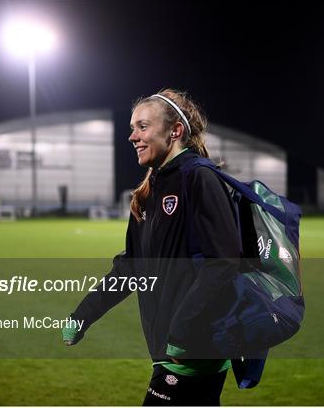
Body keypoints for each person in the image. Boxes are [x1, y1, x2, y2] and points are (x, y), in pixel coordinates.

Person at [62, 89, 241, 406]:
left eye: (142, 127)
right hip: (170, 348)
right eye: (132, 128)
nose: (133, 136)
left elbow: (224, 261)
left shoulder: (199, 178)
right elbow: (131, 267)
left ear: (175, 131)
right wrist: (84, 314)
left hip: (193, 349)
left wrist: (181, 328)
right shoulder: (147, 193)